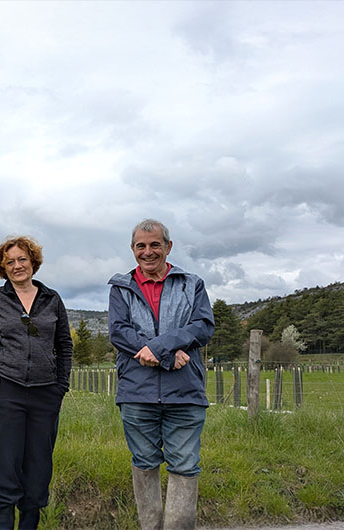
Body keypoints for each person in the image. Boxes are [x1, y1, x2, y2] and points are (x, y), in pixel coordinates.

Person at [107, 219, 214, 530]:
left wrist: (161, 347)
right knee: (144, 463)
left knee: (185, 465)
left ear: (169, 246)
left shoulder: (191, 283)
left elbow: (202, 326)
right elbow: (119, 333)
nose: (148, 251)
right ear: (132, 249)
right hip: (137, 393)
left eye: (155, 244)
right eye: (141, 245)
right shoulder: (121, 288)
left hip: (185, 391)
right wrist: (169, 355)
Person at [0, 236, 73, 530]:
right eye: (10, 262)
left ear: (33, 261)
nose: (17, 266)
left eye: (22, 259)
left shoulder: (52, 299)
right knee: (4, 464)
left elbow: (64, 345)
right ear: (3, 267)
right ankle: (3, 523)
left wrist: (60, 387)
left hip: (45, 395)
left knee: (38, 467)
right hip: (7, 391)